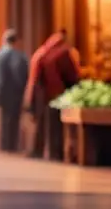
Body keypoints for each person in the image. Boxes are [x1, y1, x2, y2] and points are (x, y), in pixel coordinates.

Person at [25, 29, 80, 160]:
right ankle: (55, 153)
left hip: (41, 94)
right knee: (55, 125)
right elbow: (71, 75)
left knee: (41, 123)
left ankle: (38, 150)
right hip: (56, 93)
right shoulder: (62, 53)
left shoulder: (42, 52)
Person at [0, 29, 29, 153]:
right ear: (16, 41)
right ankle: (11, 147)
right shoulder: (20, 57)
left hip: (0, 94)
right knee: (14, 122)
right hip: (15, 95)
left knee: (3, 123)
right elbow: (21, 77)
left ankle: (4, 146)